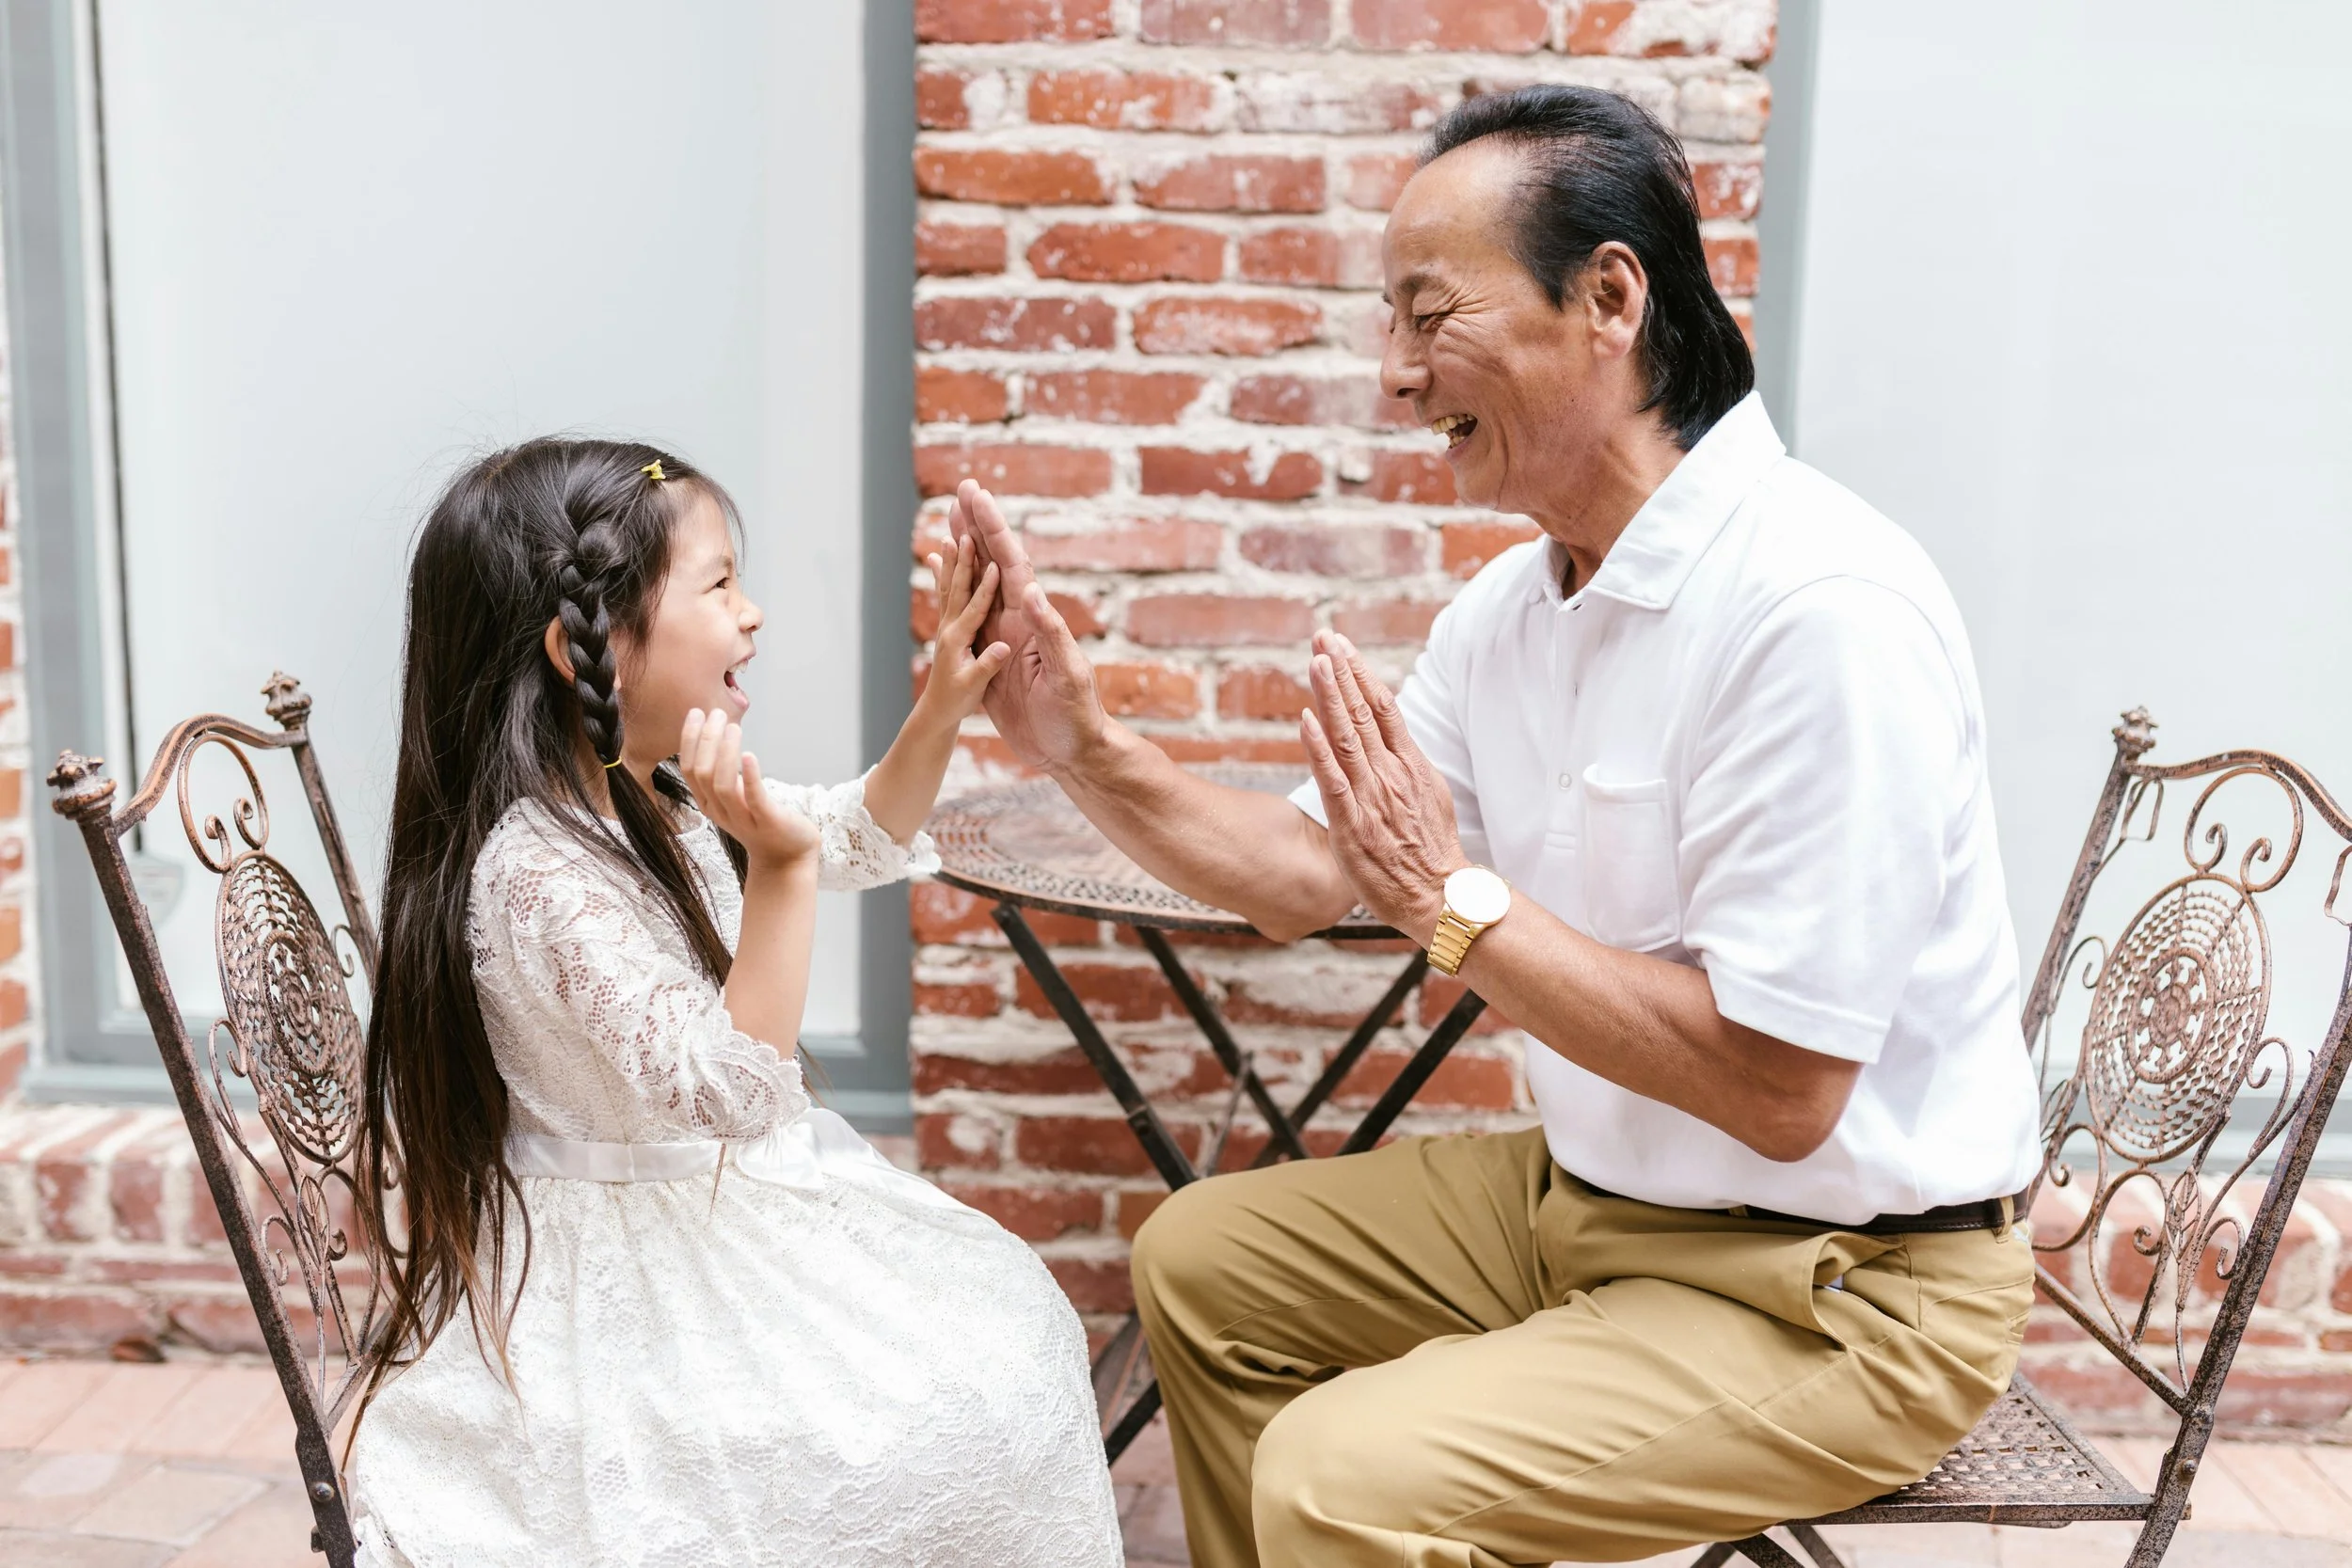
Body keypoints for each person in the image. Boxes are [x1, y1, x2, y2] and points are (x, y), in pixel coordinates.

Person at [946, 84, 2045, 1567]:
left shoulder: (1818, 612)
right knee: (1200, 1261)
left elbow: (1785, 1088)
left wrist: (1454, 903)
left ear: (1607, 298)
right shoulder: (1517, 609)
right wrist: (1083, 743)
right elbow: (1303, 876)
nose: (1394, 376)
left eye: (1426, 314)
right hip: (1594, 1204)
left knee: (1342, 1473)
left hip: (1842, 1287)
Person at [346, 437, 1121, 1567]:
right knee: (960, 1397)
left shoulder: (637, 794)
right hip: (629, 1276)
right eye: (718, 585)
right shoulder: (537, 871)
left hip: (702, 1211)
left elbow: (845, 827)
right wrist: (779, 872)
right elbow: (730, 1087)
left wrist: (944, 702)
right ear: (586, 648)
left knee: (1008, 1327)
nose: (752, 613)